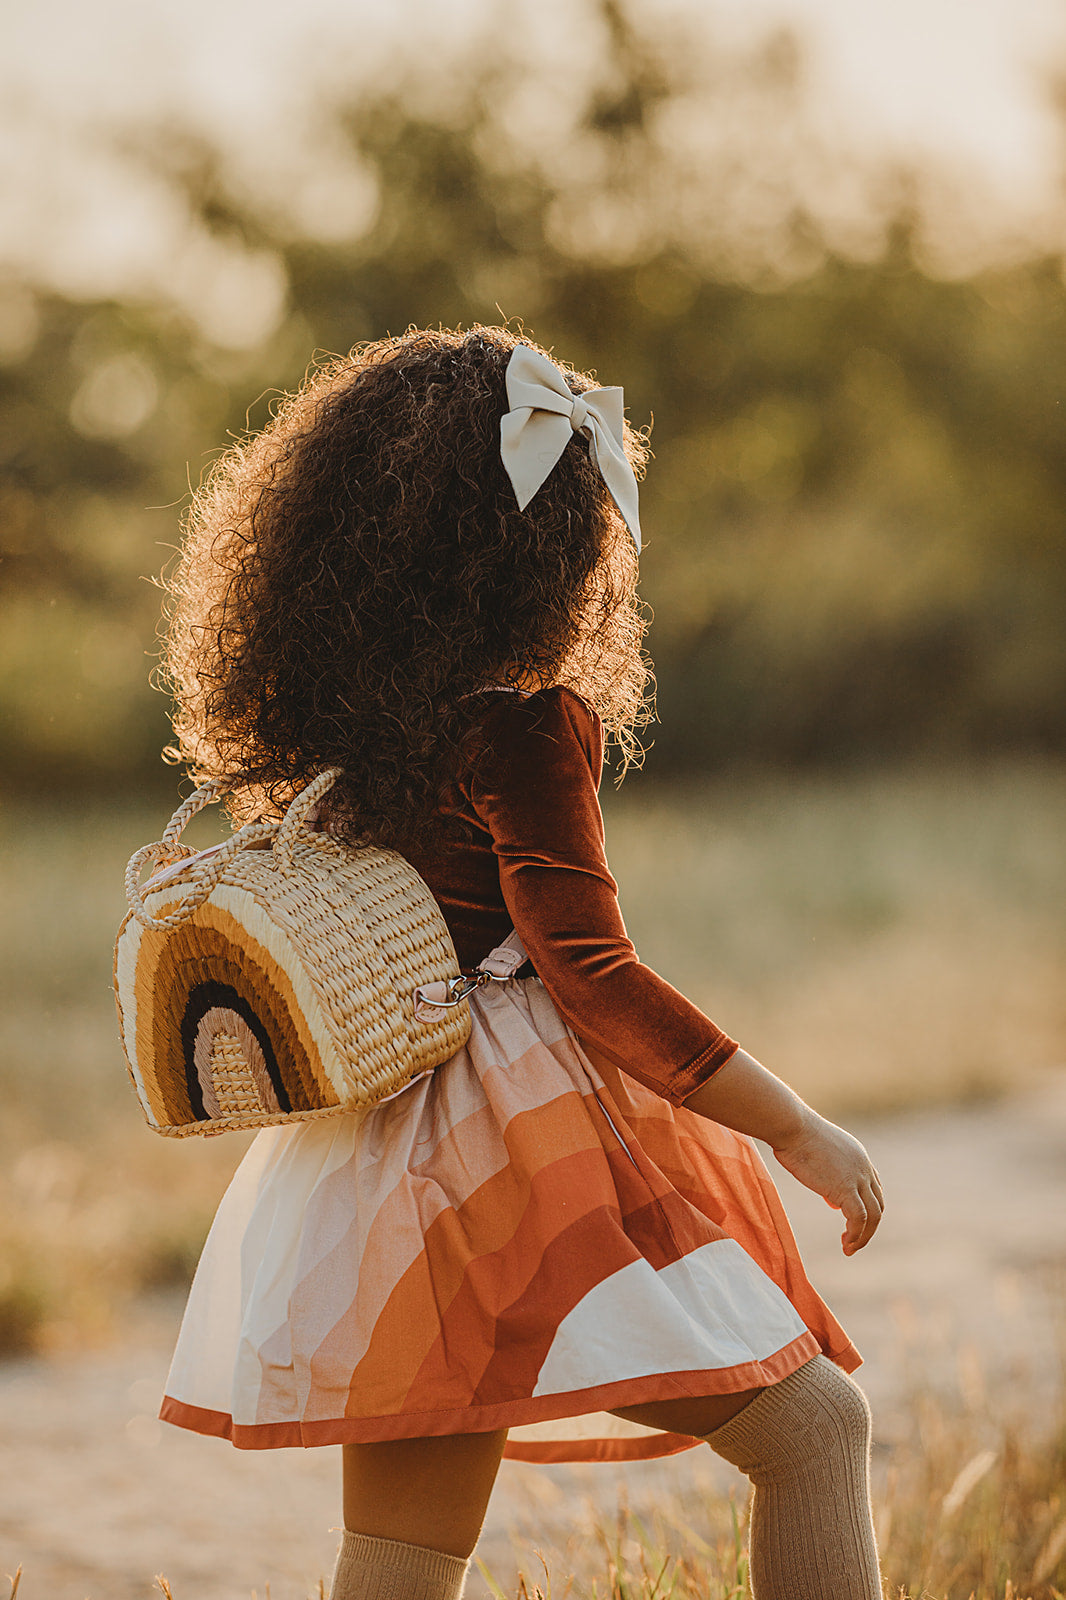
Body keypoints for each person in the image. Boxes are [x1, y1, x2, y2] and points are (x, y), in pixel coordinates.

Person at [157, 325, 885, 1600]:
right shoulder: (525, 724)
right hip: (525, 1152)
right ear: (543, 542)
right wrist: (798, 1127)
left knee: (397, 1560)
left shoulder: (340, 724)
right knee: (817, 1434)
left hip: (382, 1170)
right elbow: (591, 972)